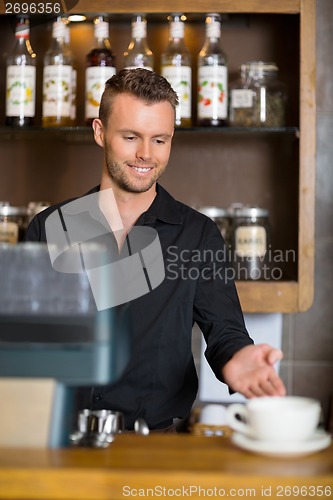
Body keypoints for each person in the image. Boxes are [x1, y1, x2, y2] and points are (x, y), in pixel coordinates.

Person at [26, 68, 286, 432]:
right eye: (131, 137)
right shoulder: (49, 227)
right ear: (100, 132)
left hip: (154, 443)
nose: (145, 154)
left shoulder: (198, 235)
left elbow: (225, 331)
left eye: (160, 140)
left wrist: (239, 359)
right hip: (59, 437)